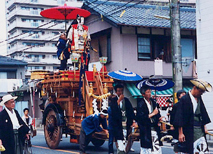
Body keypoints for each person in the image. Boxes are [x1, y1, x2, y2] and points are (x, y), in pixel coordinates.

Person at [173, 79, 212, 154]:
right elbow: (180, 116)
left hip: (199, 129)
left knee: (203, 150)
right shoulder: (184, 99)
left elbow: (203, 113)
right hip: (188, 129)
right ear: (194, 87)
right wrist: (180, 133)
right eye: (200, 91)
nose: (201, 93)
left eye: (202, 92)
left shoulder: (199, 98)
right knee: (190, 150)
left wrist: (205, 127)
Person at [110, 84, 137, 154]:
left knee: (126, 139)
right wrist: (118, 101)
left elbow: (131, 112)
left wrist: (133, 121)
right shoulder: (113, 100)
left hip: (126, 123)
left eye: (121, 91)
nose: (120, 92)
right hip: (118, 124)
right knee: (119, 140)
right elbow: (114, 112)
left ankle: (125, 150)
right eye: (118, 91)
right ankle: (120, 151)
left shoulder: (126, 100)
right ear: (116, 92)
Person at [136, 85, 163, 154]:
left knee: (156, 148)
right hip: (146, 129)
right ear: (143, 94)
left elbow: (157, 113)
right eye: (147, 92)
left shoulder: (153, 102)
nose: (149, 93)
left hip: (154, 128)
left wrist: (159, 117)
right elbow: (141, 118)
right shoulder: (140, 104)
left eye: (150, 92)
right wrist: (153, 114)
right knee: (146, 148)